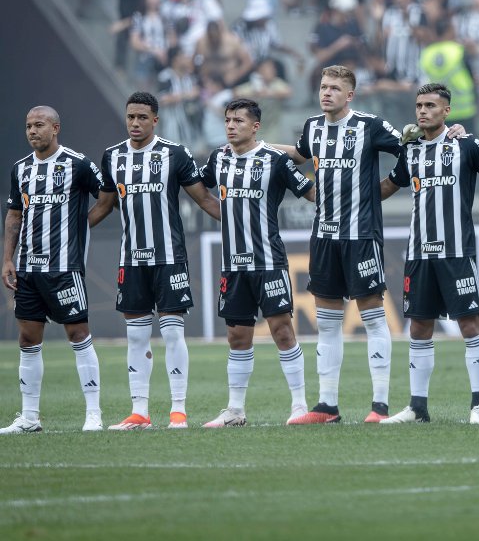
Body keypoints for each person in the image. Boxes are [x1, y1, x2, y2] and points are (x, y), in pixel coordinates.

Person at [275, 66, 403, 424]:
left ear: (350, 95)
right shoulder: (313, 127)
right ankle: (327, 406)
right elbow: (300, 155)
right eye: (323, 86)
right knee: (328, 323)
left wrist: (385, 188)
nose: (326, 92)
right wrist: (259, 146)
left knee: (373, 317)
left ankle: (380, 406)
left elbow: (408, 151)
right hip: (324, 237)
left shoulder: (370, 125)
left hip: (361, 236)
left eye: (335, 88)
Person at [87, 91, 220, 430]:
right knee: (136, 337)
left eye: (142, 117)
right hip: (130, 259)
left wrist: (237, 222)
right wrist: (72, 230)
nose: (135, 123)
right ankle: (140, 413)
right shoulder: (112, 157)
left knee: (173, 334)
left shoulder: (174, 154)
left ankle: (178, 410)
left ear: (155, 120)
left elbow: (204, 199)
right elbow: (103, 205)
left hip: (169, 257)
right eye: (130, 117)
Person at [378, 83, 479, 424]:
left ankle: (478, 405)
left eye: (431, 105)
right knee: (419, 325)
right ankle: (417, 407)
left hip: (456, 251)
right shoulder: (411, 149)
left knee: (469, 323)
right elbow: (390, 185)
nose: (423, 111)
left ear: (446, 111)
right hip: (419, 252)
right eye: (419, 105)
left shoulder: (466, 145)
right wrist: (353, 199)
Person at [197, 99, 316, 427]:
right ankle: (235, 410)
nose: (231, 125)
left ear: (255, 126)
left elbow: (309, 192)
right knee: (237, 335)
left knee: (281, 331)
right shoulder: (218, 158)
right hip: (233, 266)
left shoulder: (275, 160)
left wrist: (347, 187)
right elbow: (197, 186)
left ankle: (299, 405)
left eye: (238, 120)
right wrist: (221, 215)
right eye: (227, 120)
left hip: (268, 261)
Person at [1, 106, 104, 433]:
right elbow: (15, 215)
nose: (32, 131)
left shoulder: (77, 163)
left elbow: (107, 196)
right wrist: (7, 259)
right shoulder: (20, 169)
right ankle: (30, 418)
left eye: (39, 125)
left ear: (55, 127)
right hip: (28, 270)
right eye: (28, 126)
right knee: (28, 339)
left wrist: (82, 226)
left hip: (64, 269)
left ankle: (93, 414)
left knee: (78, 335)